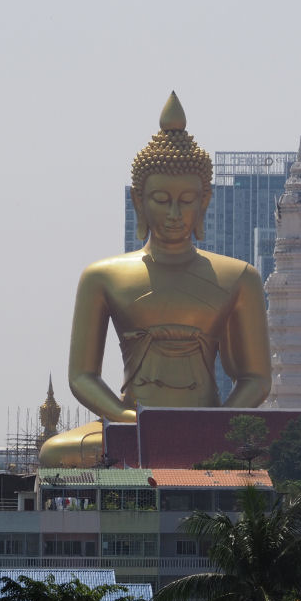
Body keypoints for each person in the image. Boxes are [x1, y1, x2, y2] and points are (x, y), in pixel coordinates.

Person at [38, 93, 271, 467]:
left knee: (271, 452)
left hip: (207, 424)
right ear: (139, 201)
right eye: (161, 199)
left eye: (187, 200)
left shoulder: (239, 278)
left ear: (205, 201)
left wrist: (216, 422)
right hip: (133, 422)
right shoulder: (102, 277)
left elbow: (256, 379)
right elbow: (82, 376)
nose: (175, 213)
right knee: (56, 453)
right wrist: (127, 417)